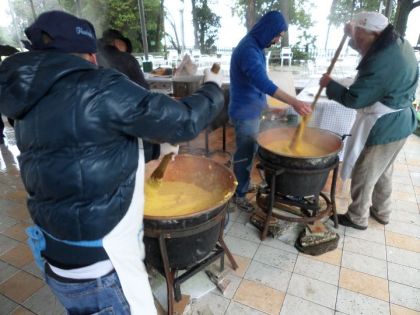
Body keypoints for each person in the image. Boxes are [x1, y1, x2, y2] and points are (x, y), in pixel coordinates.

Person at [0, 10, 224, 314]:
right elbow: (183, 121)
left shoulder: (28, 101)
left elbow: (86, 153)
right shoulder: (99, 86)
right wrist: (211, 87)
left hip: (57, 260)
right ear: (91, 56)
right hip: (102, 268)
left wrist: (158, 152)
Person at [319, 12, 418, 230]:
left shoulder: (381, 61)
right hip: (400, 122)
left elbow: (354, 98)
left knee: (365, 172)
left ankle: (357, 217)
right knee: (382, 171)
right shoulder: (396, 42)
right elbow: (368, 46)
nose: (358, 42)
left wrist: (330, 84)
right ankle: (382, 212)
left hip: (384, 125)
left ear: (374, 33)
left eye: (360, 37)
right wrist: (352, 34)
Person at [229, 10, 312, 212]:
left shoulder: (256, 46)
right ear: (268, 30)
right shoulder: (248, 50)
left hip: (253, 109)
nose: (276, 41)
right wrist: (293, 101)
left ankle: (244, 185)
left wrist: (267, 108)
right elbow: (263, 82)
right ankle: (238, 195)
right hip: (244, 113)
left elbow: (255, 86)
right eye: (276, 36)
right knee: (245, 153)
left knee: (252, 151)